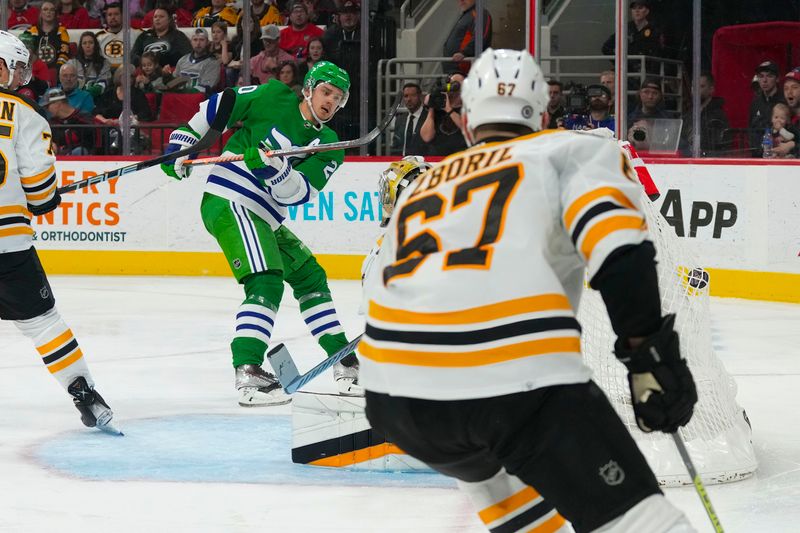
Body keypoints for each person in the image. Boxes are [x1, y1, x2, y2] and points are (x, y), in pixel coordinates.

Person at [360, 48, 698, 533]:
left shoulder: (423, 184)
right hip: (514, 381)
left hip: (395, 400)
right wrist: (649, 359)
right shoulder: (569, 151)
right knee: (643, 522)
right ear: (543, 113)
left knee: (522, 512)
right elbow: (620, 251)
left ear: (468, 120)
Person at [160, 61, 361, 404]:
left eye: (338, 98)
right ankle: (249, 372)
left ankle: (343, 359)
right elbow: (221, 104)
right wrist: (183, 142)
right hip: (231, 200)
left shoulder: (328, 144)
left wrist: (276, 170)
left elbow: (299, 194)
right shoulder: (272, 95)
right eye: (327, 91)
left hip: (266, 217)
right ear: (309, 88)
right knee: (265, 281)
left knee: (310, 276)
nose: (331, 101)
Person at [0, 30, 119, 434]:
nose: (22, 76)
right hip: (8, 246)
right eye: (16, 69)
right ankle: (85, 395)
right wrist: (46, 199)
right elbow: (38, 190)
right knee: (44, 324)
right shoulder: (26, 115)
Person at [680, 72, 731, 157]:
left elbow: (723, 147)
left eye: (701, 86)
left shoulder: (718, 116)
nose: (696, 90)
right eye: (693, 86)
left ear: (711, 90)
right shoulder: (688, 115)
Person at [419, 72, 468, 156]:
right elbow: (426, 137)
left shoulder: (468, 107)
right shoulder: (438, 105)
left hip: (460, 157)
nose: (453, 86)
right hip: (437, 157)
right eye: (451, 83)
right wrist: (432, 107)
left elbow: (466, 128)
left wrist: (448, 109)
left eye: (456, 84)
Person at [442, 0, 492, 74]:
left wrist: (465, 53)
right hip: (455, 72)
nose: (461, 0)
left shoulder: (479, 13)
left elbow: (481, 36)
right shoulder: (467, 15)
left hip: (466, 72)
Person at [41, 87, 96, 155]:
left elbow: (77, 137)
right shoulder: (51, 122)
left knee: (78, 151)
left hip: (84, 161)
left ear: (57, 104)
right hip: (58, 158)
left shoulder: (83, 117)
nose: (47, 109)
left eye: (48, 106)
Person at [748, 60, 785, 156]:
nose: (764, 80)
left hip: (778, 156)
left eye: (769, 76)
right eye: (761, 76)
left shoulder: (784, 101)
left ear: (777, 79)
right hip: (757, 156)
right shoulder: (755, 103)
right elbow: (750, 130)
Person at [66, 31, 112, 99]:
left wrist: (87, 93)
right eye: (84, 43)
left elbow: (102, 84)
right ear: (81, 46)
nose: (88, 46)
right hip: (74, 99)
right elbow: (66, 83)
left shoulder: (104, 63)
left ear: (95, 45)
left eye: (91, 43)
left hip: (95, 100)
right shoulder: (72, 63)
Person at [174, 28, 221, 95]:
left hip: (200, 100)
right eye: (195, 40)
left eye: (202, 40)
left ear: (207, 42)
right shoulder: (182, 60)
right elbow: (174, 82)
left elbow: (206, 88)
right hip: (180, 98)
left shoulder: (213, 63)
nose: (198, 43)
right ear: (191, 42)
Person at [28, 1, 70, 71]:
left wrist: (58, 68)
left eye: (52, 10)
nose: (49, 12)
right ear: (41, 13)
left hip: (57, 70)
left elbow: (64, 53)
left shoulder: (62, 31)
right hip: (36, 71)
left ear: (55, 13)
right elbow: (27, 52)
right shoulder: (32, 31)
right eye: (45, 9)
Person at [390, 82, 426, 156]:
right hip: (402, 163)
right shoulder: (400, 119)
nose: (409, 99)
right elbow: (396, 146)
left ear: (420, 97)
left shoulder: (428, 117)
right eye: (406, 96)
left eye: (413, 95)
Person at [95, 2, 125, 72]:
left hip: (126, 71)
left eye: (116, 14)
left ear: (122, 16)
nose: (113, 17)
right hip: (106, 71)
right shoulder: (98, 37)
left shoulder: (136, 33)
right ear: (106, 17)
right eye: (110, 15)